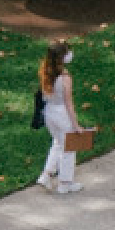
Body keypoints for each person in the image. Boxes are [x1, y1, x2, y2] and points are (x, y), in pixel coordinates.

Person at [34, 40, 82, 193]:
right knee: (69, 148)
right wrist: (76, 125)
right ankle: (65, 183)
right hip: (62, 115)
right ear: (62, 57)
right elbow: (69, 103)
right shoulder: (65, 77)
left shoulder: (45, 72)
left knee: (57, 144)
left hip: (49, 113)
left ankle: (46, 175)